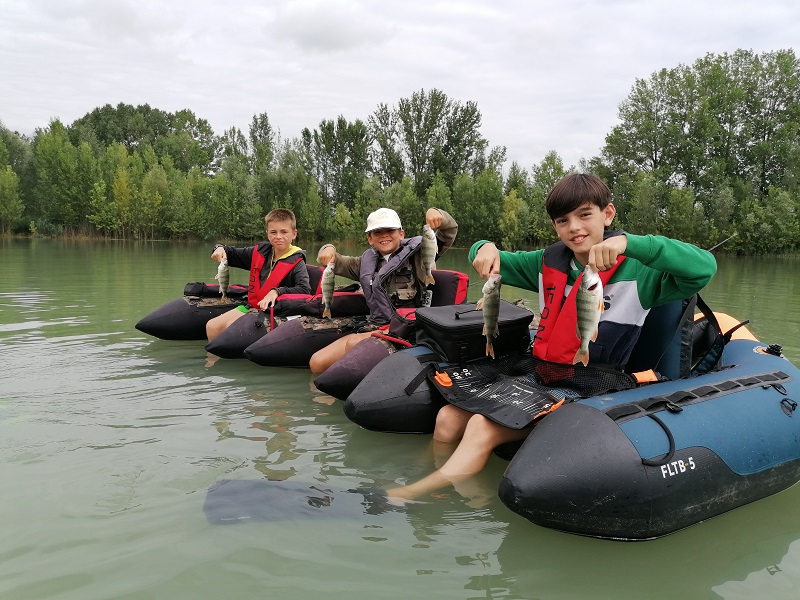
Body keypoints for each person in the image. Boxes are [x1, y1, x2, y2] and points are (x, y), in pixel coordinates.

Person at [387, 173, 717, 501]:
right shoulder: (547, 262)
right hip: (543, 371)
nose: (574, 227)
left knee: (480, 427)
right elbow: (495, 257)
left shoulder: (642, 271)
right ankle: (440, 484)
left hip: (595, 382)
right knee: (447, 418)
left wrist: (630, 242)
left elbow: (704, 266)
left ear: (608, 214)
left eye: (585, 214)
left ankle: (413, 493)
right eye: (563, 220)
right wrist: (483, 247)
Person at [309, 206, 458, 374]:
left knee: (353, 345)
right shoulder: (362, 263)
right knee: (317, 362)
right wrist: (327, 249)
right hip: (377, 324)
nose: (384, 235)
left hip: (408, 327)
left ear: (401, 234)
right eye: (377, 232)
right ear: (370, 239)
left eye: (390, 230)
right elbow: (335, 261)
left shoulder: (420, 253)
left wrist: (438, 214)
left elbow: (449, 231)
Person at [206, 208, 311, 341]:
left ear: (294, 234)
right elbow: (230, 253)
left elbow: (305, 290)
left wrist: (277, 292)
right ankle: (211, 361)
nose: (278, 236)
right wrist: (219, 248)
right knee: (211, 326)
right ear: (267, 233)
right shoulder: (260, 252)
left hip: (275, 311)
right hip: (252, 306)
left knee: (230, 327)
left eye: (284, 232)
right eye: (273, 232)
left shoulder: (298, 262)